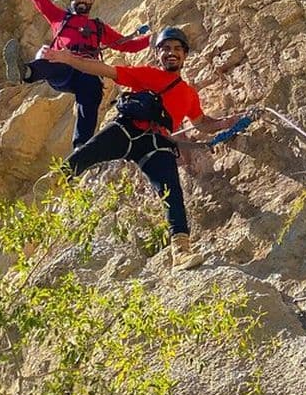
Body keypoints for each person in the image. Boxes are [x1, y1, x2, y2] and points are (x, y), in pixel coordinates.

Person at [42, 27, 240, 272]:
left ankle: (181, 251)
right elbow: (102, 69)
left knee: (172, 192)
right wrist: (66, 58)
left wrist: (230, 123)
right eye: (166, 48)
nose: (171, 53)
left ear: (185, 55)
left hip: (157, 144)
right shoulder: (147, 75)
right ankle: (58, 178)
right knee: (90, 150)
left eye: (177, 49)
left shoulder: (189, 94)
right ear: (158, 54)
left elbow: (203, 123)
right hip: (127, 129)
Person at [4, 0, 151, 149]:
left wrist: (153, 39)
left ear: (91, 2)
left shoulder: (99, 28)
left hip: (86, 71)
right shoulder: (60, 18)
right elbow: (41, 2)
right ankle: (26, 72)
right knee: (57, 62)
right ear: (71, 2)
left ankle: (82, 146)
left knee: (93, 90)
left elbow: (126, 45)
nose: (82, 1)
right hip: (62, 68)